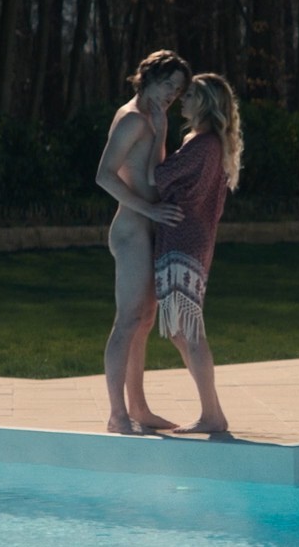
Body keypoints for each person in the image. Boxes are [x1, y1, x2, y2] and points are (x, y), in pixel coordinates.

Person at [96, 50, 191, 435]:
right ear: (148, 77)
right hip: (132, 229)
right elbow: (104, 175)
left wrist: (163, 131)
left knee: (145, 320)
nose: (171, 94)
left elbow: (154, 176)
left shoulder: (152, 119)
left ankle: (138, 408)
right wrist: (149, 210)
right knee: (128, 319)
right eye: (168, 84)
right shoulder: (133, 119)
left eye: (178, 90)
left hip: (147, 227)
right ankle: (117, 414)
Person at [152, 73, 243, 434]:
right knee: (180, 331)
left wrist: (157, 132)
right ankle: (212, 410)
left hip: (185, 240)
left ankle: (212, 414)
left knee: (189, 331)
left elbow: (159, 177)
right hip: (186, 238)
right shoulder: (205, 143)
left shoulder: (203, 145)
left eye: (190, 95)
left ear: (205, 104)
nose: (182, 99)